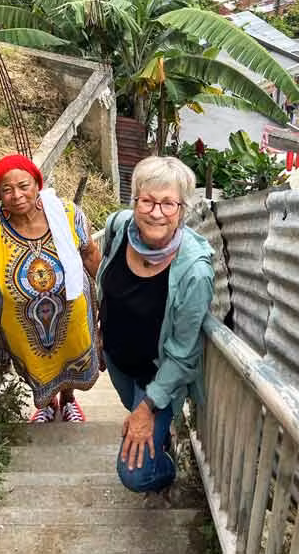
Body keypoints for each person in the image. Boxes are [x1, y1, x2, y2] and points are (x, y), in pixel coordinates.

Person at [0, 154, 101, 423]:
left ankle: (69, 400)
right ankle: (48, 404)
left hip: (72, 316)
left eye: (23, 186)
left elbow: (89, 252)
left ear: (37, 185)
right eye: (7, 189)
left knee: (72, 357)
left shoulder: (67, 213)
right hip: (24, 326)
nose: (16, 195)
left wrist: (112, 294)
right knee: (39, 364)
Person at [97, 156, 214, 498]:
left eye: (168, 203)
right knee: (130, 406)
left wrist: (146, 409)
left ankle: (167, 468)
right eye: (147, 201)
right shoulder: (118, 228)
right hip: (118, 362)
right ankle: (156, 430)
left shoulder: (195, 271)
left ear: (182, 209)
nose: (156, 212)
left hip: (157, 376)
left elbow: (183, 355)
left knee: (136, 474)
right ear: (134, 201)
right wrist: (101, 332)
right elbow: (108, 281)